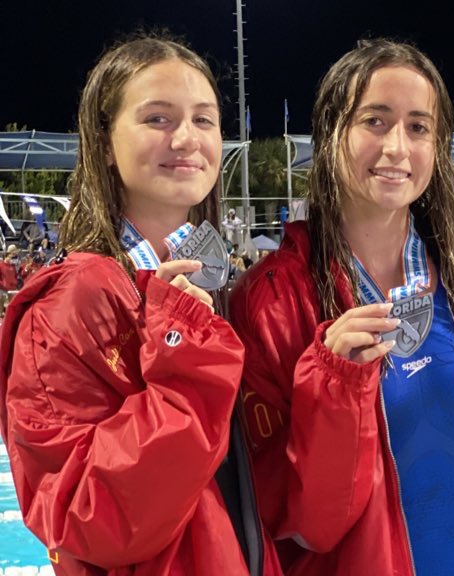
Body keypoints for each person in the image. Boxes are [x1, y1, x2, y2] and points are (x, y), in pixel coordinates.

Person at [230, 39, 454, 575]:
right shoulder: (272, 301)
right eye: (375, 121)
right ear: (330, 134)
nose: (398, 147)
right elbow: (295, 520)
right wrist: (333, 383)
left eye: (418, 127)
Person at [0, 36, 280, 575]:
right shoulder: (73, 301)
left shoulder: (209, 290)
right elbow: (88, 518)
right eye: (157, 118)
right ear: (104, 143)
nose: (186, 138)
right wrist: (187, 365)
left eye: (204, 120)